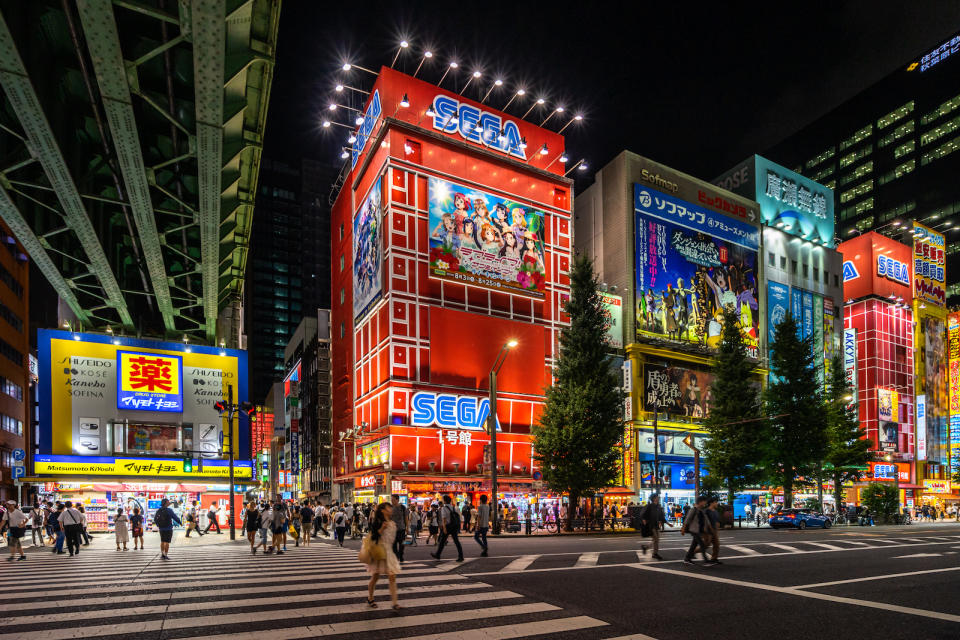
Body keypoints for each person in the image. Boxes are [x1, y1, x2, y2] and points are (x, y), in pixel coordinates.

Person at [362, 502, 401, 610]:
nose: (391, 509)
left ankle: (394, 603)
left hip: (389, 552)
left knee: (392, 577)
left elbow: (393, 540)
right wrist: (382, 529)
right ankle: (370, 598)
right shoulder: (378, 522)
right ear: (383, 510)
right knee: (375, 577)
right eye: (389, 507)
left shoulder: (392, 522)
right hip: (379, 552)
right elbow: (373, 537)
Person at [681, 495, 714, 566]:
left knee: (693, 545)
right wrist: (683, 528)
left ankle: (687, 559)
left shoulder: (701, 510)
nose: (705, 503)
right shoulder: (693, 509)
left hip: (699, 530)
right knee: (702, 544)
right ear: (700, 502)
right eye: (704, 501)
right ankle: (706, 560)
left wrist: (710, 527)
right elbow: (687, 519)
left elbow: (706, 520)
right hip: (694, 530)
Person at [431, 495, 463, 562]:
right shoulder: (454, 507)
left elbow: (444, 519)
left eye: (442, 499)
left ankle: (438, 554)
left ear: (444, 501)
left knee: (442, 541)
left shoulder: (444, 508)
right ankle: (461, 556)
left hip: (448, 526)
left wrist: (444, 528)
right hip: (454, 526)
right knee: (456, 541)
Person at [640, 494, 670, 560]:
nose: (658, 498)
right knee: (656, 539)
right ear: (654, 499)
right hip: (651, 525)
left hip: (656, 525)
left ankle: (646, 547)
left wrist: (668, 523)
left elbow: (661, 516)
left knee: (656, 540)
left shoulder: (658, 506)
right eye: (657, 497)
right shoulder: (649, 506)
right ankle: (655, 554)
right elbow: (643, 514)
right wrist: (644, 521)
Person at [390, 495, 408, 561]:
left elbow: (406, 518)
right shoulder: (390, 508)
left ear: (397, 500)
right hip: (392, 529)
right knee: (393, 545)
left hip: (401, 529)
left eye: (393, 499)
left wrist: (407, 528)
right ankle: (397, 555)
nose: (392, 501)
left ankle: (401, 555)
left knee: (402, 544)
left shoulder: (403, 508)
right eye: (391, 499)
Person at [703, 497, 722, 564]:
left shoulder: (716, 511)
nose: (717, 503)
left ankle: (714, 558)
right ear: (711, 503)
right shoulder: (706, 511)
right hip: (708, 531)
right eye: (716, 502)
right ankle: (692, 552)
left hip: (714, 531)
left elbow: (717, 521)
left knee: (717, 545)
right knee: (706, 545)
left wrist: (717, 528)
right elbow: (704, 522)